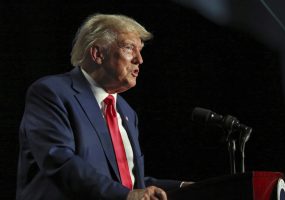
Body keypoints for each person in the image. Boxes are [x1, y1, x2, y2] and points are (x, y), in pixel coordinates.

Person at [16, 14, 190, 200]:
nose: (140, 60)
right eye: (130, 48)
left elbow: (128, 182)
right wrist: (126, 196)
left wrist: (185, 188)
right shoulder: (51, 92)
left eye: (140, 51)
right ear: (98, 54)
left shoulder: (126, 111)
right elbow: (61, 162)